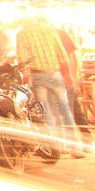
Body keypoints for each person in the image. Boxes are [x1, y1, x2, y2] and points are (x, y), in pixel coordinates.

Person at [16, 16, 84, 157]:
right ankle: (75, 148)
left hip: (38, 76)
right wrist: (68, 74)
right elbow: (62, 52)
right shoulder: (48, 29)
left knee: (46, 112)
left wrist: (24, 74)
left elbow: (23, 60)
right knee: (65, 110)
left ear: (23, 23)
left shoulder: (22, 34)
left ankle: (55, 148)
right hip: (55, 74)